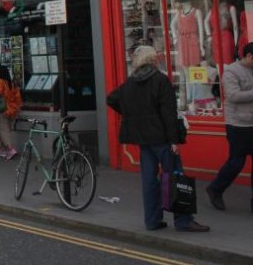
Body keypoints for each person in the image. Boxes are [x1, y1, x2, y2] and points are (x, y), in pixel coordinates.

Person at [107, 45, 209, 232]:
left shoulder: (130, 83)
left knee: (149, 180)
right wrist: (174, 141)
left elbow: (111, 99)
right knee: (176, 176)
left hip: (143, 139)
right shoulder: (160, 80)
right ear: (153, 60)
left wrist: (132, 115)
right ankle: (183, 220)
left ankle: (152, 221)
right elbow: (168, 114)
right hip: (162, 138)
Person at [205, 42, 253, 212]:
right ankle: (215, 188)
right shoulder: (232, 71)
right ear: (248, 56)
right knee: (236, 162)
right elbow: (233, 96)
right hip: (238, 124)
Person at [0, 65, 22, 160]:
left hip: (1, 110)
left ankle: (10, 149)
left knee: (3, 131)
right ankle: (2, 149)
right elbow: (18, 98)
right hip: (12, 110)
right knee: (5, 129)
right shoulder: (12, 83)